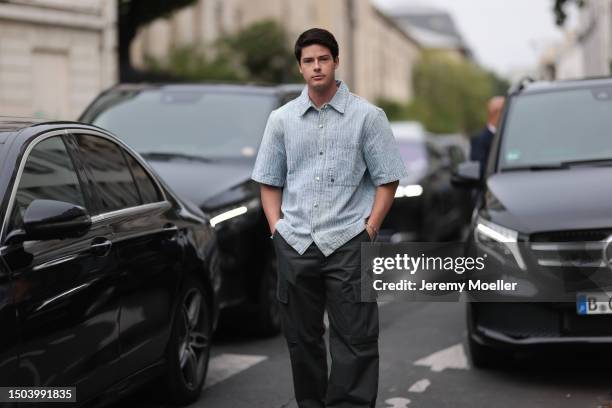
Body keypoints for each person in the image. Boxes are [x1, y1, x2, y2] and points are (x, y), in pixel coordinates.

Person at [251, 28, 407, 408]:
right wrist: (277, 231)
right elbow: (269, 182)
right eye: (308, 61)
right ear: (300, 67)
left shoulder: (368, 117)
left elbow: (388, 179)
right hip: (296, 242)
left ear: (336, 62)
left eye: (323, 59)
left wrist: (369, 230)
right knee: (301, 340)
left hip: (349, 242)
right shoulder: (282, 119)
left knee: (356, 339)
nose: (317, 67)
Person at [470, 96, 505, 175]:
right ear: (497, 112)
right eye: (505, 110)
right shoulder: (480, 140)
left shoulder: (510, 137)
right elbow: (479, 171)